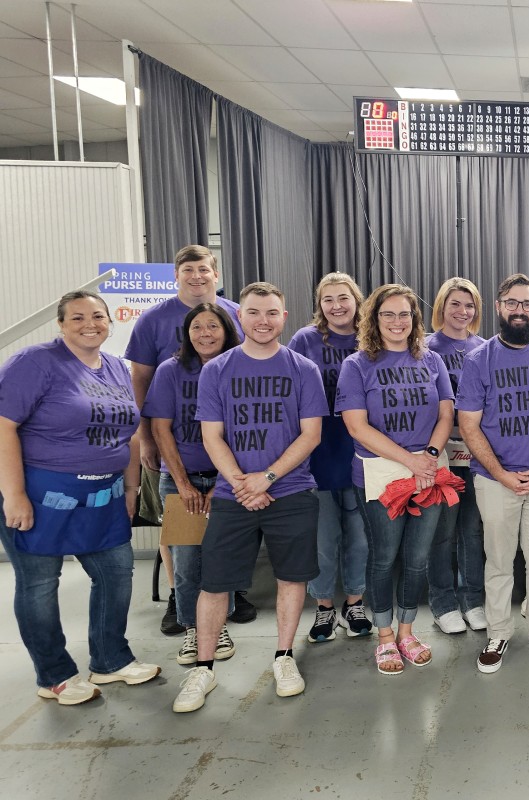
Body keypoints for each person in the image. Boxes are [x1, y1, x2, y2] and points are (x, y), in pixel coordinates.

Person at [0, 291, 161, 705]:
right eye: (77, 317)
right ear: (60, 323)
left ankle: (110, 660)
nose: (89, 323)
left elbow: (127, 434)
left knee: (116, 573)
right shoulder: (34, 363)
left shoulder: (115, 367)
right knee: (39, 584)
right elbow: (3, 429)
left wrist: (130, 488)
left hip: (104, 494)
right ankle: (54, 674)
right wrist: (14, 494)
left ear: (109, 321)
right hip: (40, 492)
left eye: (97, 316)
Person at [173, 283, 326, 713]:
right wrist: (243, 482)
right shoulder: (217, 370)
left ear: (285, 316)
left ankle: (284, 657)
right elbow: (211, 435)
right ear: (239, 316)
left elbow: (310, 434)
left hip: (292, 491)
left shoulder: (303, 369)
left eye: (272, 313)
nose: (263, 320)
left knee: (292, 578)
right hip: (231, 494)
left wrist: (269, 477)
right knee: (214, 582)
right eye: (254, 312)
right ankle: (203, 668)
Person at [124, 245, 249, 634]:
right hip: (177, 446)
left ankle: (231, 592)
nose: (197, 276)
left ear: (216, 274)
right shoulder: (153, 321)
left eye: (204, 269)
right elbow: (141, 382)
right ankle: (180, 592)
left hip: (229, 454)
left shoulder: (235, 315)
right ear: (176, 275)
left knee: (226, 534)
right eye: (188, 270)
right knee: (179, 530)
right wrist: (146, 440)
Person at [458, 274, 529, 674]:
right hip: (494, 481)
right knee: (499, 561)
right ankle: (499, 631)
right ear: (498, 306)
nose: (519, 310)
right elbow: (469, 425)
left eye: (527, 304)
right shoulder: (478, 360)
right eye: (512, 303)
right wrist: (502, 474)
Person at [338, 284, 454, 674]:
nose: (397, 321)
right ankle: (384, 635)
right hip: (381, 474)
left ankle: (407, 630)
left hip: (429, 473)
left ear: (415, 319)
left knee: (418, 558)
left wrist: (432, 458)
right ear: (374, 319)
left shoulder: (432, 360)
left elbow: (445, 415)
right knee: (384, 557)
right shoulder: (356, 365)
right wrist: (412, 461)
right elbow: (357, 426)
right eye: (387, 314)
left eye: (404, 314)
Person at [143, 302, 240, 666]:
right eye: (196, 327)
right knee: (186, 560)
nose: (205, 334)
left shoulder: (238, 368)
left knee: (221, 556)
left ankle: (218, 626)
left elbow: (245, 433)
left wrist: (227, 482)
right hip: (182, 480)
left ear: (226, 330)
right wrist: (182, 483)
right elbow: (160, 428)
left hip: (227, 480)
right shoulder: (171, 371)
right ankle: (191, 630)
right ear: (186, 334)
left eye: (213, 326)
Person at [287, 273, 372, 643]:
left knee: (360, 537)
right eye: (328, 300)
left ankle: (355, 602)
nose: (337, 306)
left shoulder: (374, 338)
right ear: (319, 305)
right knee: (322, 540)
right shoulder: (304, 340)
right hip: (317, 455)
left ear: (357, 300)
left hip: (364, 453)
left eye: (344, 298)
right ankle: (324, 608)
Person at [425, 277, 488, 634]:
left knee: (472, 530)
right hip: (439, 455)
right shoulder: (424, 347)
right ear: (441, 307)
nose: (462, 312)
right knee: (442, 532)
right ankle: (443, 603)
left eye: (469, 305)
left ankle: (472, 599)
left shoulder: (486, 347)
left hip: (476, 455)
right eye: (455, 304)